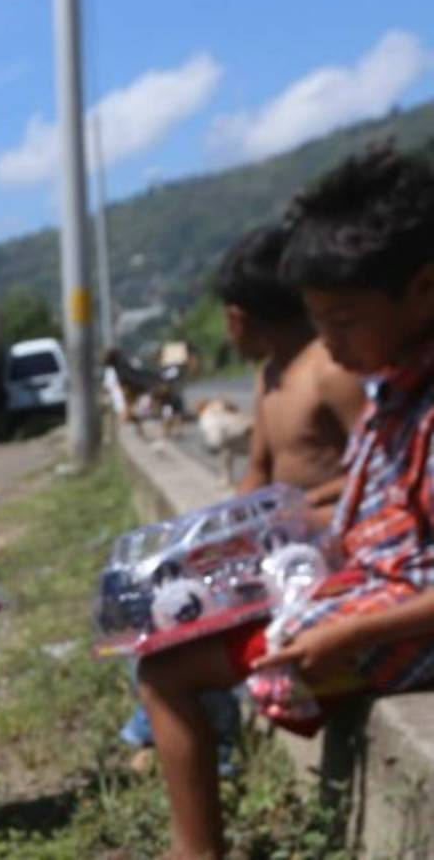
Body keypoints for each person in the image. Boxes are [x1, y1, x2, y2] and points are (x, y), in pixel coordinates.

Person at [138, 144, 434, 859]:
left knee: (165, 669)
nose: (329, 347)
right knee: (167, 620)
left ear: (423, 289)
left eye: (344, 320)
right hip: (366, 593)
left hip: (391, 626)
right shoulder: (391, 385)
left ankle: (194, 853)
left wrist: (344, 637)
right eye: (318, 322)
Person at [215, 223, 366, 523]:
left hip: (338, 531)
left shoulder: (332, 372)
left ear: (236, 320)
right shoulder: (268, 375)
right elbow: (258, 469)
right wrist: (231, 522)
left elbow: (378, 473)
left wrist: (302, 515)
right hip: (291, 537)